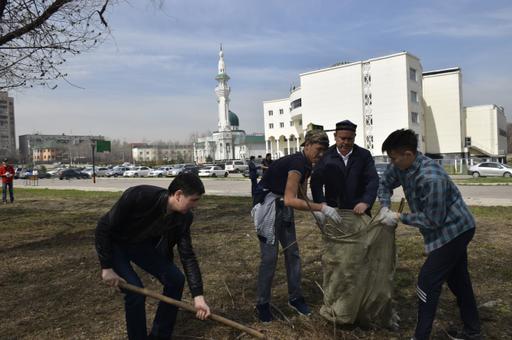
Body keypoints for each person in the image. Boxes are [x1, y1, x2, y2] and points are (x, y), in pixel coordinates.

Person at [377, 129, 481, 340]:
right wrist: (384, 207)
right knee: (459, 281)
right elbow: (384, 183)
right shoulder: (400, 165)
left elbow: (433, 220)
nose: (392, 162)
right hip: (443, 229)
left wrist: (398, 217)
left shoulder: (431, 177)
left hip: (455, 230)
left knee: (427, 281)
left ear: (408, 154)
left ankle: (420, 336)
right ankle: (473, 331)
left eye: (393, 158)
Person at [95, 173, 211, 340]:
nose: (195, 206)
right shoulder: (140, 196)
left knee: (176, 280)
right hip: (116, 244)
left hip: (141, 246)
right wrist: (106, 267)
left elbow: (187, 255)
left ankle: (160, 335)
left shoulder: (184, 218)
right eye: (193, 200)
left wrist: (198, 296)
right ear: (178, 195)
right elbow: (103, 227)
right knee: (135, 292)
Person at [253, 129, 342, 322]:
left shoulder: (308, 164)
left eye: (324, 151)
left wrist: (315, 211)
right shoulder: (297, 164)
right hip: (267, 207)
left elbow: (300, 194)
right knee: (269, 258)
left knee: (292, 253)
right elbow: (290, 200)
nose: (320, 155)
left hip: (282, 206)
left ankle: (295, 298)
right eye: (318, 149)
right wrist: (323, 208)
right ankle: (262, 304)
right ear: (307, 145)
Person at [311, 120, 379, 216]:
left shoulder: (364, 155)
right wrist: (322, 204)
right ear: (335, 136)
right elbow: (316, 183)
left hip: (359, 211)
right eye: (342, 138)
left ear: (354, 137)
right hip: (333, 211)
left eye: (350, 139)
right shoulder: (326, 156)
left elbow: (373, 181)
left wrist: (366, 202)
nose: (346, 142)